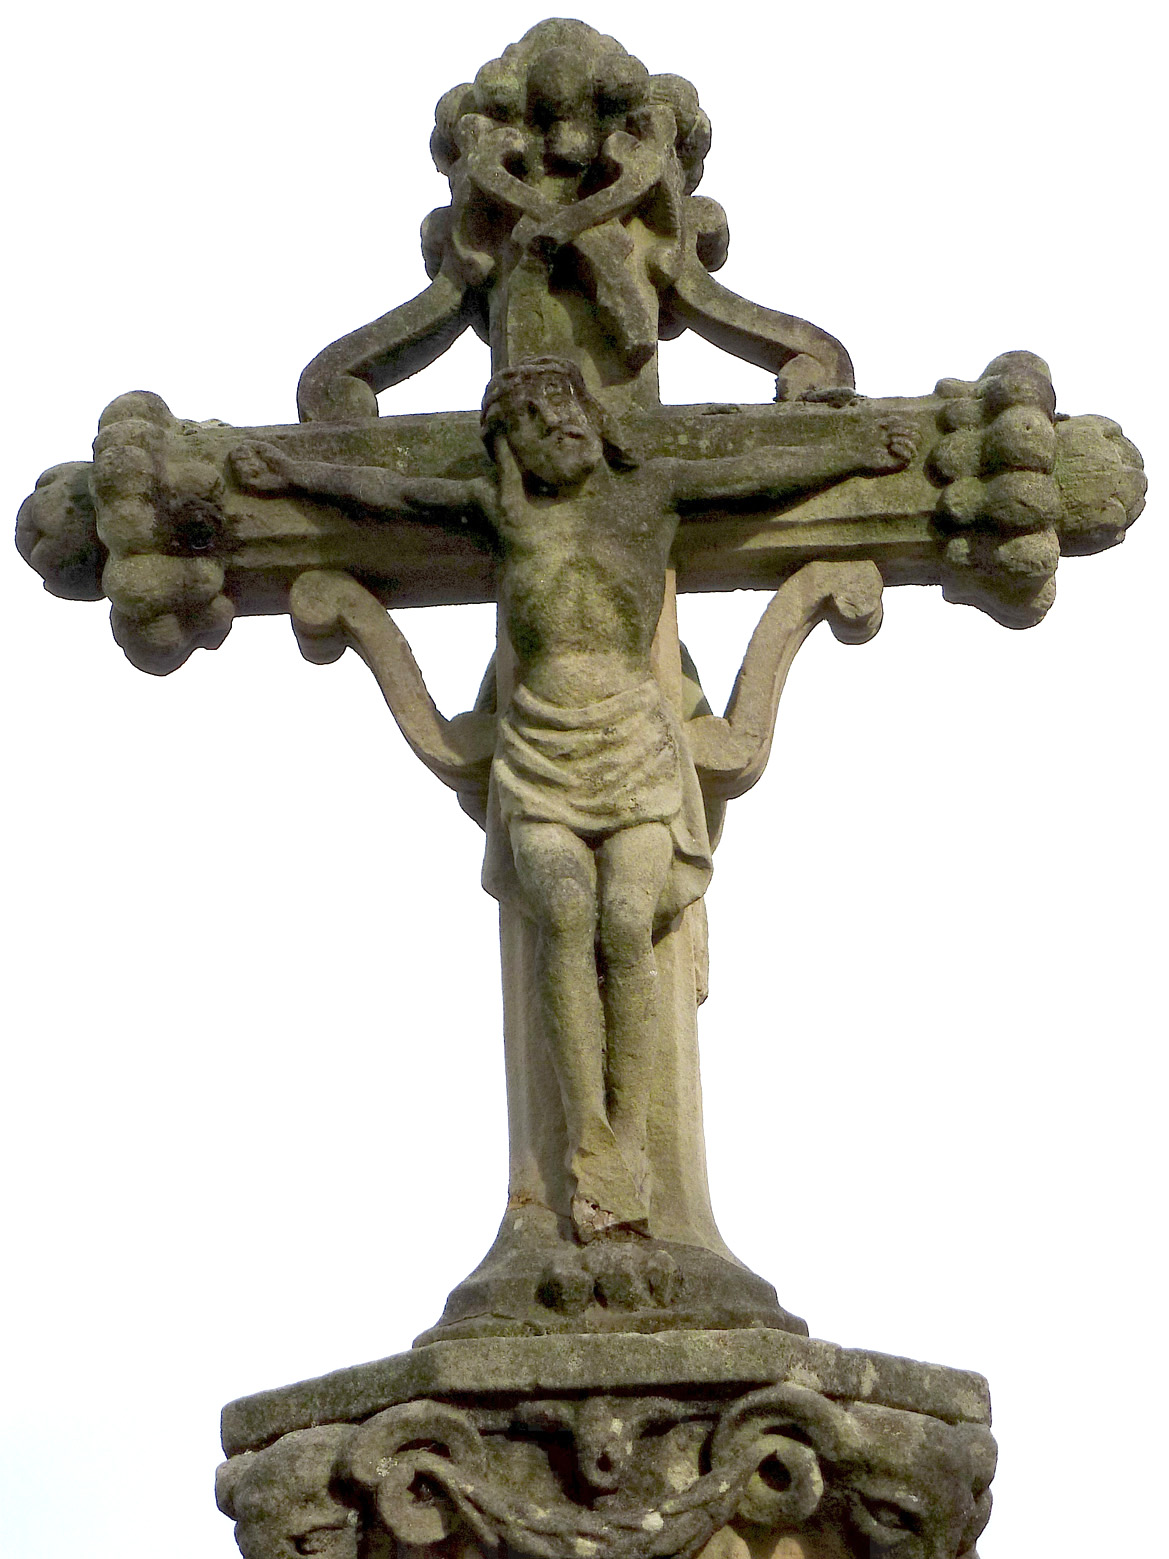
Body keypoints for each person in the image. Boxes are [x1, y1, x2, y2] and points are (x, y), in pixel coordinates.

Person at [231, 356, 917, 1239]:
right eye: (533, 424)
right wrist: (289, 474)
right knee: (562, 911)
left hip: (633, 738)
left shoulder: (651, 494)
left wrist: (854, 454)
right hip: (541, 743)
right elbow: (387, 495)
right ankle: (586, 1131)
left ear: (596, 419)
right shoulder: (502, 511)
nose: (559, 429)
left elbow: (754, 475)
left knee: (626, 918)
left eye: (568, 412)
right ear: (510, 449)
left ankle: (628, 1134)